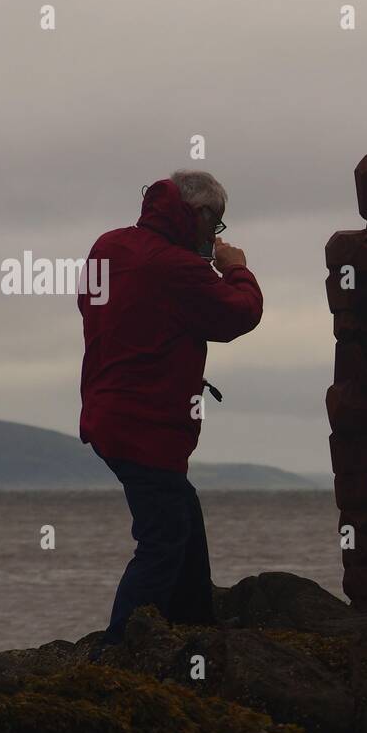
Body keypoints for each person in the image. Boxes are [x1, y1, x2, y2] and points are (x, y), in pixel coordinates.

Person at [77, 170, 263, 641]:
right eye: (215, 223)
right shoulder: (178, 269)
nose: (215, 234)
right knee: (161, 539)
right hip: (146, 426)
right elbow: (239, 313)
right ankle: (119, 650)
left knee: (180, 513)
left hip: (107, 414)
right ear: (197, 215)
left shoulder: (109, 247)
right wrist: (235, 268)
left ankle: (194, 625)